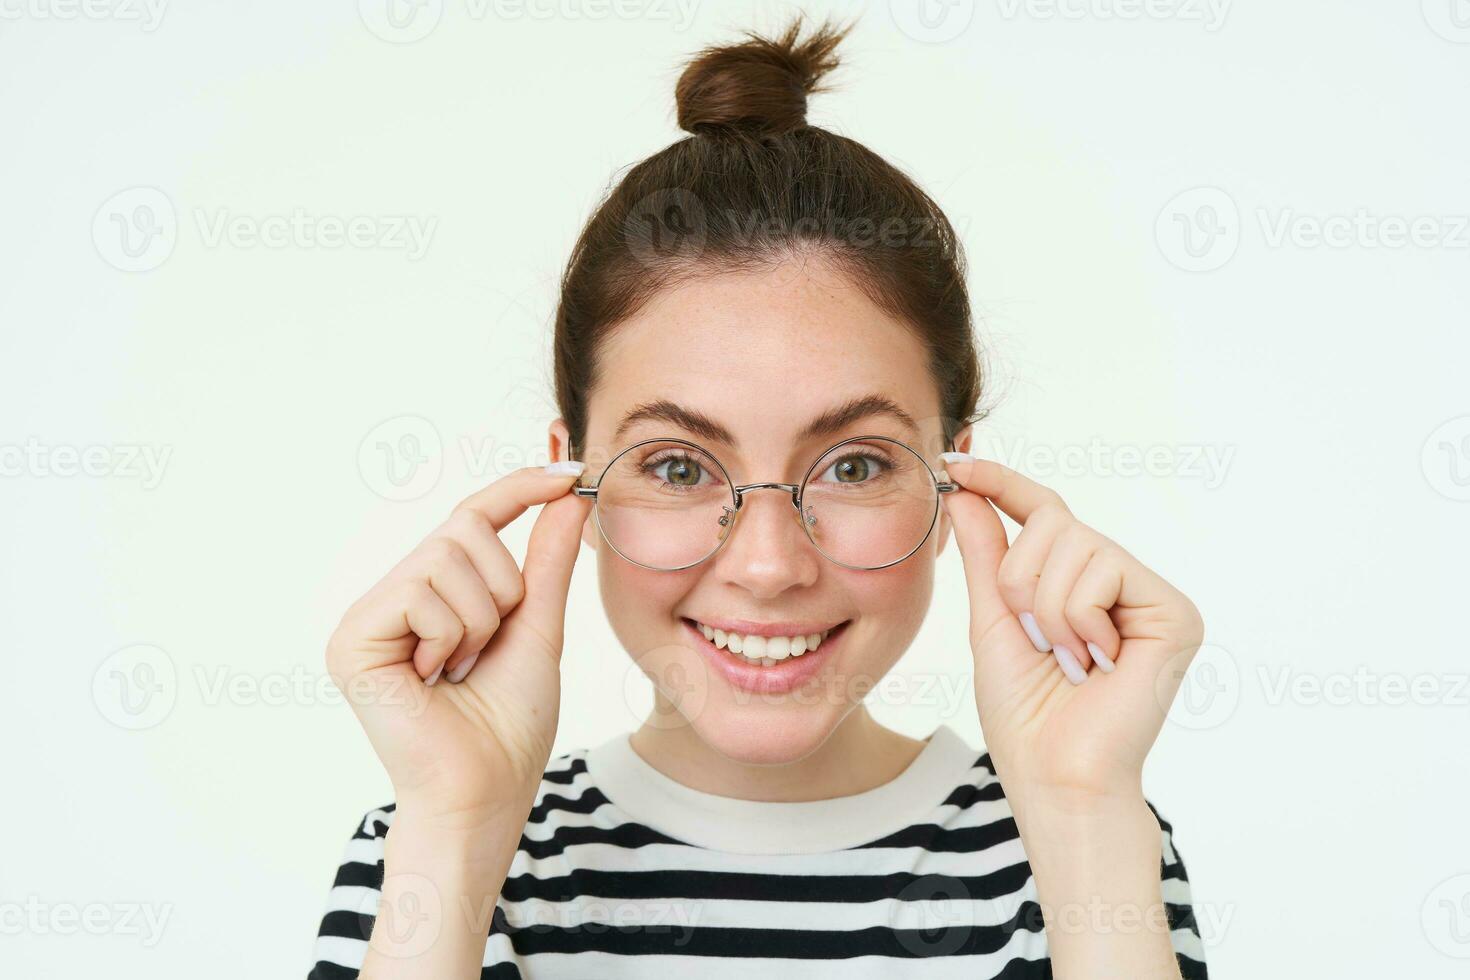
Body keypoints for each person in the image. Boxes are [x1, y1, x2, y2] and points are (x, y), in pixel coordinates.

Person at [309, 15, 1208, 979]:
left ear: (955, 481)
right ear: (572, 484)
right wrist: (454, 823)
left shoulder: (1084, 840)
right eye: (679, 467)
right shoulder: (441, 843)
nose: (770, 566)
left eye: (856, 466)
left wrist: (1081, 811)